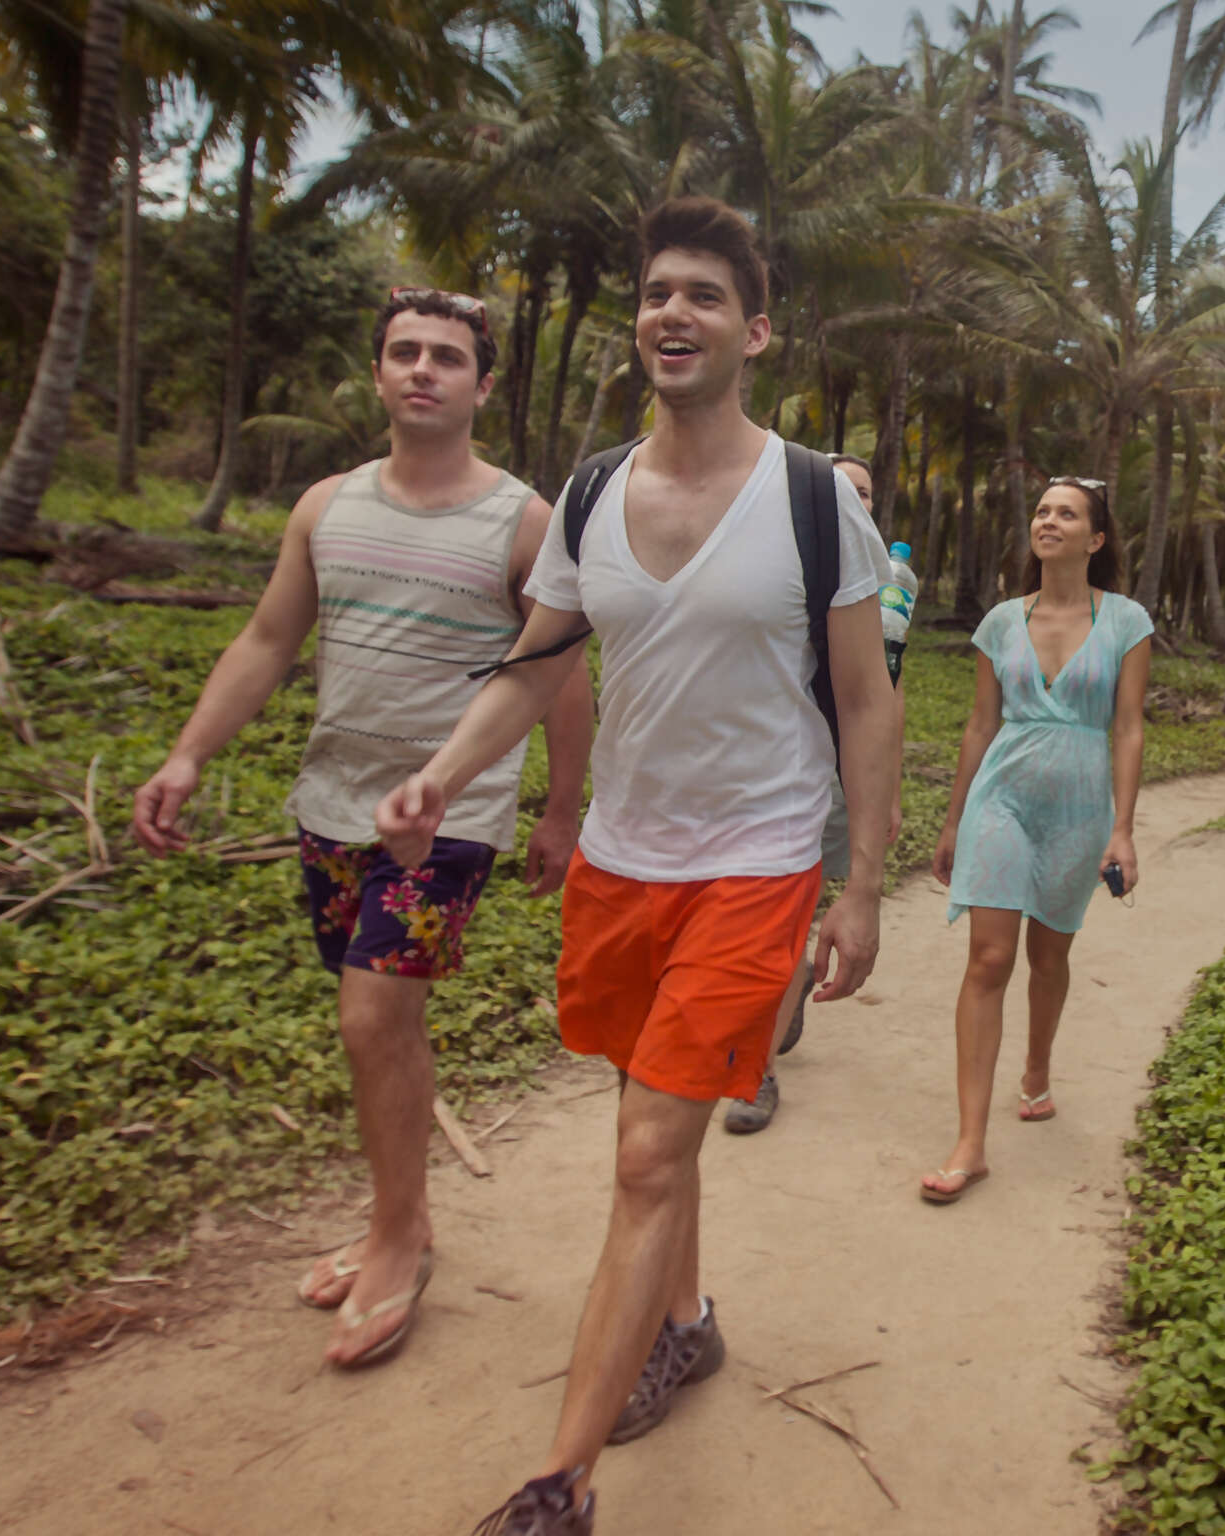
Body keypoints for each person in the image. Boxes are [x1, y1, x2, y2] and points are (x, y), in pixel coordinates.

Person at [374, 198, 899, 1536]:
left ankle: (557, 1487)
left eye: (705, 294)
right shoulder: (595, 491)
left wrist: (860, 885)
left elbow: (866, 698)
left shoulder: (812, 500)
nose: (675, 311)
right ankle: (686, 1323)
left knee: (650, 1153)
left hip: (758, 863)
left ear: (754, 332)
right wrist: (443, 772)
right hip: (622, 861)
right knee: (652, 1121)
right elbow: (537, 661)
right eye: (659, 291)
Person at [130, 288, 593, 1370]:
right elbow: (266, 640)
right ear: (379, 373)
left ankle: (395, 1242)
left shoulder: (524, 523)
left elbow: (560, 676)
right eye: (404, 352)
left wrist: (560, 808)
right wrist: (187, 755)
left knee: (372, 1015)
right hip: (331, 807)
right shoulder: (324, 508)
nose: (423, 369)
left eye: (447, 356)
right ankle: (405, 1216)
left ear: (484, 384)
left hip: (451, 818)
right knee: (381, 1024)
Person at [921, 476, 1150, 1206]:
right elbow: (980, 724)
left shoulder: (1125, 621)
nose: (1049, 520)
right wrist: (955, 820)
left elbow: (1129, 727)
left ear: (1096, 538)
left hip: (1080, 809)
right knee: (989, 958)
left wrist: (1122, 830)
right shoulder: (999, 622)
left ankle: (1037, 1070)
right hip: (1004, 799)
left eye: (1067, 513)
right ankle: (970, 1142)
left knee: (1049, 957)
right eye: (1043, 511)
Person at [722, 452, 908, 1135]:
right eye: (840, 487)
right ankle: (776, 997)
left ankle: (758, 1072)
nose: (852, 499)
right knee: (749, 927)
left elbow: (886, 694)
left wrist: (886, 793)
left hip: (832, 773)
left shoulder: (887, 590)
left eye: (864, 491)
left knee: (786, 923)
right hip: (751, 771)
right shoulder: (771, 562)